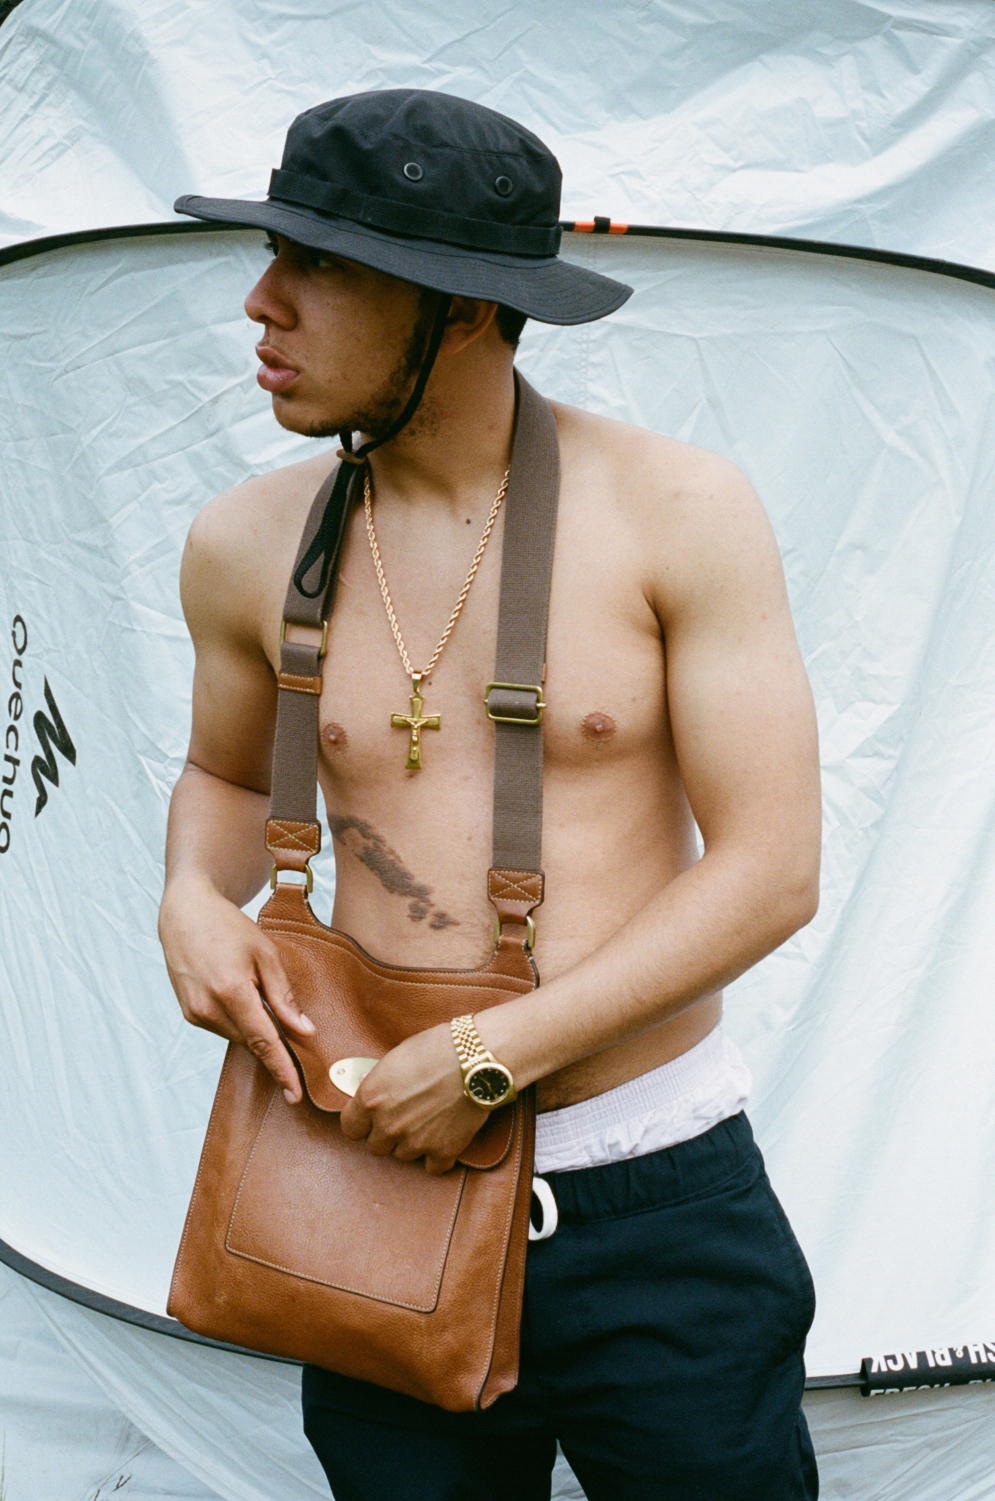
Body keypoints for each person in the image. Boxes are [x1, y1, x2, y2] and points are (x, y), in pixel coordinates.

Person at [159, 88, 821, 1501]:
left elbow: (771, 867)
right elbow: (223, 773)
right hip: (371, 1185)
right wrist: (191, 898)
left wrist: (487, 1058)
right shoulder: (243, 543)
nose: (263, 303)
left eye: (320, 265)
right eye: (276, 253)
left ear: (462, 307)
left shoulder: (677, 512)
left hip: (651, 1196)